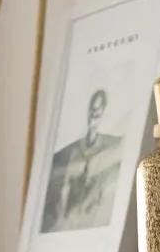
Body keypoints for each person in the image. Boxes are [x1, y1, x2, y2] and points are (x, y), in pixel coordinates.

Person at [41, 87, 123, 232]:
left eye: (99, 109)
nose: (94, 113)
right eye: (92, 109)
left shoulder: (111, 148)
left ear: (103, 112)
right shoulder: (72, 152)